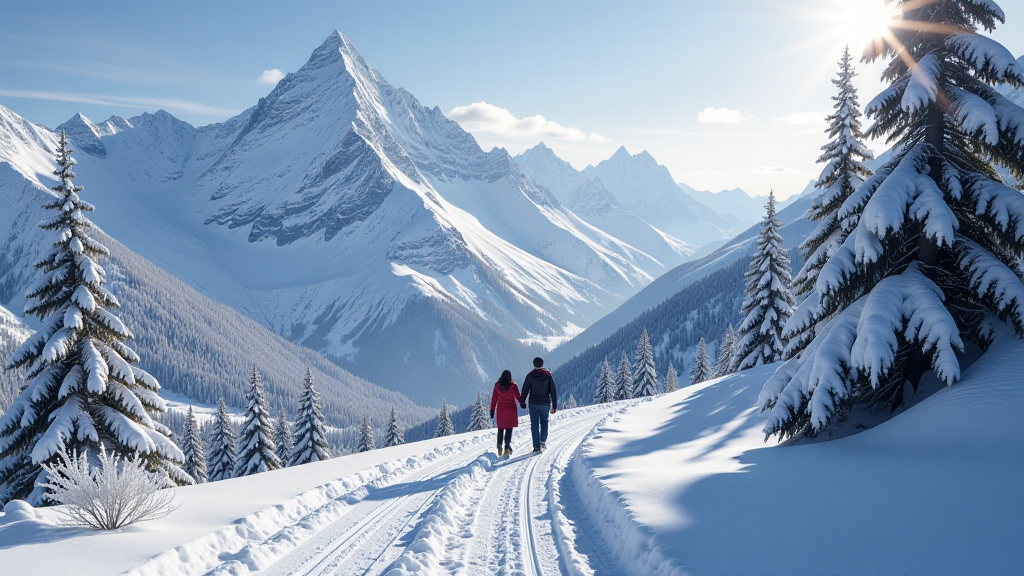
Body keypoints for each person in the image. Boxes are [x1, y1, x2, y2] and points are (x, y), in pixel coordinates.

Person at [520, 357, 557, 453]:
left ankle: (536, 446)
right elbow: (553, 390)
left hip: (533, 403)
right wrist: (554, 406)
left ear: (534, 364)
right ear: (542, 364)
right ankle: (542, 442)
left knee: (534, 425)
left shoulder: (530, 375)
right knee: (544, 422)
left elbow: (525, 389)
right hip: (545, 403)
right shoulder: (548, 375)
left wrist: (522, 401)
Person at [489, 369, 521, 458]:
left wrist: (492, 409)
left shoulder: (497, 386)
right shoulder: (513, 386)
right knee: (509, 429)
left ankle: (499, 445)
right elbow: (518, 396)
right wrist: (522, 403)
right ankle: (507, 447)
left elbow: (494, 398)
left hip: (501, 410)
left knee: (500, 428)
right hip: (510, 410)